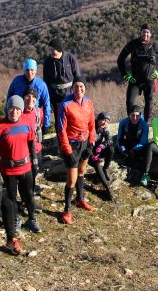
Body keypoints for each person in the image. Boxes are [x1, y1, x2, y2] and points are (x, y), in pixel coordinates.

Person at [0, 96, 41, 234]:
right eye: (11, 109)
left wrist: (35, 162)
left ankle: (32, 219)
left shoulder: (27, 123)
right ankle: (15, 219)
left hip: (26, 167)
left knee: (28, 195)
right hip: (8, 169)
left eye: (17, 109)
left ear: (21, 111)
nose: (14, 112)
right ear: (7, 109)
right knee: (11, 197)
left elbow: (31, 144)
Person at [56, 76, 96, 224]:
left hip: (85, 142)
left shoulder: (89, 103)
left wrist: (91, 142)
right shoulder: (65, 104)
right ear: (72, 88)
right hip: (71, 144)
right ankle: (66, 210)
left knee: (82, 171)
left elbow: (92, 124)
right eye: (76, 87)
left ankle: (80, 199)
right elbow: (61, 130)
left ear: (85, 88)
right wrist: (68, 151)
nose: (79, 89)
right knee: (71, 179)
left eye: (82, 87)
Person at [117, 24, 158, 122]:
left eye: (147, 32)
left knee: (149, 103)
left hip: (149, 80)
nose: (145, 34)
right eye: (143, 32)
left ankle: (145, 123)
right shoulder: (133, 44)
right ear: (140, 33)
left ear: (150, 34)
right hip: (134, 80)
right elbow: (120, 59)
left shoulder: (154, 45)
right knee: (129, 102)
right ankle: (131, 123)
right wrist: (125, 75)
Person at [7, 58, 51, 134]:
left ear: (35, 70)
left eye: (32, 70)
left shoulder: (41, 85)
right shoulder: (16, 81)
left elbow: (46, 104)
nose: (30, 73)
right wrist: (7, 114)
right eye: (27, 70)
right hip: (18, 114)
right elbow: (9, 98)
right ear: (24, 70)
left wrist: (46, 124)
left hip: (34, 116)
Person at [43, 38, 81, 124]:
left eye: (53, 50)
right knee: (59, 121)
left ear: (59, 49)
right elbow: (46, 82)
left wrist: (78, 94)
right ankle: (60, 137)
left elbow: (78, 78)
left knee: (73, 119)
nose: (51, 52)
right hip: (55, 96)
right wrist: (48, 99)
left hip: (70, 94)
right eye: (50, 50)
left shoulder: (70, 58)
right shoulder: (48, 61)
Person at [81, 111, 115, 201]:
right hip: (87, 152)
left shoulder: (105, 128)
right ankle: (107, 188)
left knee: (111, 149)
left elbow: (110, 140)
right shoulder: (91, 126)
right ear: (98, 119)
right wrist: (92, 154)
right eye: (103, 120)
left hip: (97, 150)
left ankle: (106, 168)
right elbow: (84, 143)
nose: (105, 123)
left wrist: (101, 146)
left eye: (107, 121)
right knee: (96, 163)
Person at [21, 87, 44, 194]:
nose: (31, 99)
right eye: (27, 96)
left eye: (34, 97)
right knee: (26, 176)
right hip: (24, 151)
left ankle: (31, 192)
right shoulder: (18, 113)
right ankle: (26, 196)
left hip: (37, 149)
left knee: (35, 172)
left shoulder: (38, 112)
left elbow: (40, 125)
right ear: (23, 98)